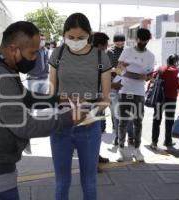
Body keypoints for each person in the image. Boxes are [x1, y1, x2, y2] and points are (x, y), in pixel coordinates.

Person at [0, 21, 83, 200]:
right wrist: (69, 118)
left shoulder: (0, 68)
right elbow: (25, 126)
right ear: (14, 50)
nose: (35, 58)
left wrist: (57, 99)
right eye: (32, 53)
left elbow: (25, 97)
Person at [49, 13, 111, 200]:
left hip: (89, 127)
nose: (75, 41)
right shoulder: (57, 53)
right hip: (61, 125)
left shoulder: (101, 56)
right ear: (64, 35)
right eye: (71, 37)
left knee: (89, 182)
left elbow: (106, 99)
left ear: (89, 35)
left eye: (81, 38)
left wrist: (88, 113)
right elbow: (51, 93)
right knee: (62, 182)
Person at [116, 28, 155, 162]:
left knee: (138, 121)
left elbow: (149, 75)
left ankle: (137, 149)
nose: (142, 43)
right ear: (136, 39)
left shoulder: (150, 56)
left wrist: (147, 77)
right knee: (123, 121)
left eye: (145, 41)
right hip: (125, 90)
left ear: (148, 40)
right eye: (140, 40)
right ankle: (121, 148)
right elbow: (120, 71)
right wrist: (139, 76)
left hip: (139, 93)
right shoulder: (127, 51)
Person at [150, 54, 179, 150]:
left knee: (156, 120)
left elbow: (151, 79)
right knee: (169, 121)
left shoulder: (160, 69)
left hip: (159, 99)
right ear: (176, 62)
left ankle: (154, 142)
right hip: (171, 99)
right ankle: (168, 141)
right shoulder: (178, 72)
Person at [107, 34, 133, 146]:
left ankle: (130, 137)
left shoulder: (128, 51)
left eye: (122, 42)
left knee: (129, 111)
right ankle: (118, 135)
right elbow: (106, 68)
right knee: (115, 110)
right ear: (114, 42)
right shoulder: (109, 52)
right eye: (118, 42)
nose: (120, 44)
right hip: (114, 84)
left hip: (127, 84)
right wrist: (115, 70)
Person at [92, 32, 111, 171]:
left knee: (98, 131)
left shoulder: (98, 57)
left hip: (98, 99)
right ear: (100, 45)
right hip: (92, 100)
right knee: (93, 132)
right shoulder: (93, 58)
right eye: (105, 46)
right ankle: (92, 162)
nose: (105, 49)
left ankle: (95, 157)